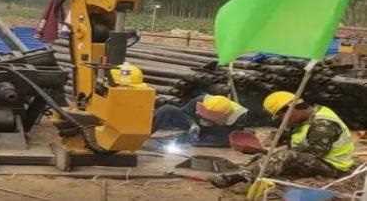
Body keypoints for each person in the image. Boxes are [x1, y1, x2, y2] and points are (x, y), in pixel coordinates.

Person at [211, 91, 355, 188]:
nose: (282, 120)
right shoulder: (304, 119)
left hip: (333, 167)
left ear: (290, 109)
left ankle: (241, 176)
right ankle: (246, 171)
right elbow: (287, 140)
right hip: (315, 159)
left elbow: (311, 155)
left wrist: (268, 153)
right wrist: (260, 148)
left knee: (284, 156)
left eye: (280, 116)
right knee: (267, 158)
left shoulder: (323, 124)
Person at [152, 94, 248, 146]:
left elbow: (229, 138)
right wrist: (192, 124)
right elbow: (184, 113)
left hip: (216, 132)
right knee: (167, 110)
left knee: (223, 141)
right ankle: (143, 134)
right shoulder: (200, 100)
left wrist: (197, 139)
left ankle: (195, 139)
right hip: (194, 126)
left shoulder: (239, 117)